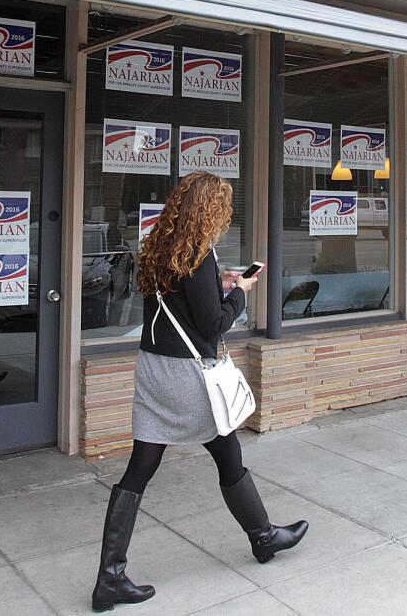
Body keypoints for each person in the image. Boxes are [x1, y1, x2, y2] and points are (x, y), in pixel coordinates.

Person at [91, 172, 308, 612]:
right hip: (188, 378)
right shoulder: (199, 253)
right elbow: (213, 324)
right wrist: (241, 293)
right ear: (211, 210)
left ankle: (109, 578)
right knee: (227, 452)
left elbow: (182, 303)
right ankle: (264, 538)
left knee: (142, 466)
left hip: (153, 369)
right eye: (222, 208)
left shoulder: (162, 246)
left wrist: (219, 283)